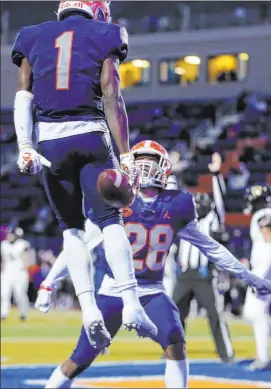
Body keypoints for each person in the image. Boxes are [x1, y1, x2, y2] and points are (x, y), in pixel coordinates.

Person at [35, 141, 271, 389]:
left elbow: (211, 247)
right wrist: (49, 281)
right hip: (113, 291)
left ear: (164, 168)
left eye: (151, 162)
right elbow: (78, 247)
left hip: (152, 291)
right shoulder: (114, 199)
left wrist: (248, 277)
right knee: (80, 359)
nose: (146, 167)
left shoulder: (178, 203)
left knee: (176, 343)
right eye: (140, 162)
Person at [11, 0, 156, 349]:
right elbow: (111, 93)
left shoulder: (31, 35)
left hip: (48, 141)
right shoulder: (106, 33)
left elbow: (23, 96)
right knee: (110, 222)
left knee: (72, 231)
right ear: (95, 9)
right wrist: (125, 155)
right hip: (91, 134)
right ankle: (132, 304)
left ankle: (89, 309)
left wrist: (25, 145)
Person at [172, 153, 234, 363]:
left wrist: (216, 174)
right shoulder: (184, 220)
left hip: (204, 275)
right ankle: (173, 350)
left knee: (214, 315)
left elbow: (220, 202)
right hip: (184, 275)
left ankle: (226, 352)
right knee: (174, 315)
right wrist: (173, 172)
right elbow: (171, 197)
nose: (198, 208)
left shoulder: (213, 221)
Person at [242, 184, 271, 371]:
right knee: (251, 312)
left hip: (266, 270)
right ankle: (263, 356)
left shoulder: (264, 214)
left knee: (255, 313)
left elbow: (269, 239)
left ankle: (263, 358)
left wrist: (266, 276)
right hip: (262, 270)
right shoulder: (266, 214)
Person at [1, 227, 33, 321]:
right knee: (4, 294)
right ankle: (3, 313)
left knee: (20, 294)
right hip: (7, 272)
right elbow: (3, 260)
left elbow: (26, 259)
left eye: (11, 234)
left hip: (20, 272)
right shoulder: (4, 245)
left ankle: (23, 314)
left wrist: (26, 270)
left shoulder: (23, 244)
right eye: (8, 234)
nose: (9, 236)